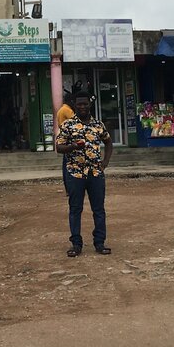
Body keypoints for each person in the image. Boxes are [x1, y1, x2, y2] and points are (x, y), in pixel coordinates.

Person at [56, 90, 113, 256]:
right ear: (74, 105)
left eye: (85, 104)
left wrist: (105, 163)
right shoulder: (68, 125)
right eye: (79, 104)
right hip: (75, 174)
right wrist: (73, 146)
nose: (82, 107)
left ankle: (100, 243)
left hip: (95, 173)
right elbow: (59, 147)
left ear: (90, 105)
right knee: (75, 209)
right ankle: (76, 244)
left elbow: (108, 143)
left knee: (99, 209)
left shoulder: (98, 125)